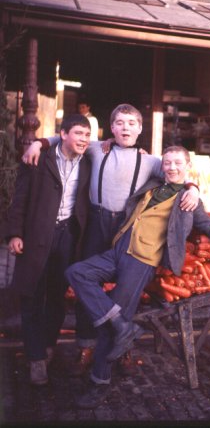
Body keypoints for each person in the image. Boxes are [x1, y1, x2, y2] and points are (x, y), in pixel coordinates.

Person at [65, 145, 210, 409]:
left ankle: (99, 382)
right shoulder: (152, 183)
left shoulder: (190, 200)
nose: (172, 167)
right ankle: (123, 325)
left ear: (187, 166)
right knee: (77, 272)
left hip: (142, 262)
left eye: (178, 163)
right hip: (119, 250)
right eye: (167, 163)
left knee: (108, 326)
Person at [22, 103, 200, 376]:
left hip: (126, 225)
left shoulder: (151, 160)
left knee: (125, 290)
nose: (125, 128)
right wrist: (39, 142)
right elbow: (68, 137)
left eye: (131, 123)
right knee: (84, 287)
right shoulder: (95, 148)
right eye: (120, 123)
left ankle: (122, 347)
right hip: (95, 222)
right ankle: (87, 346)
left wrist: (193, 188)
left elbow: (178, 172)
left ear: (140, 128)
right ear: (111, 128)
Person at [5, 114, 92, 386]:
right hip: (36, 235)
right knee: (32, 295)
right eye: (78, 133)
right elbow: (19, 199)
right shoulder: (38, 158)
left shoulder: (90, 160)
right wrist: (14, 234)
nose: (84, 140)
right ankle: (35, 359)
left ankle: (48, 347)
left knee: (56, 297)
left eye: (87, 135)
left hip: (68, 236)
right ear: (63, 134)